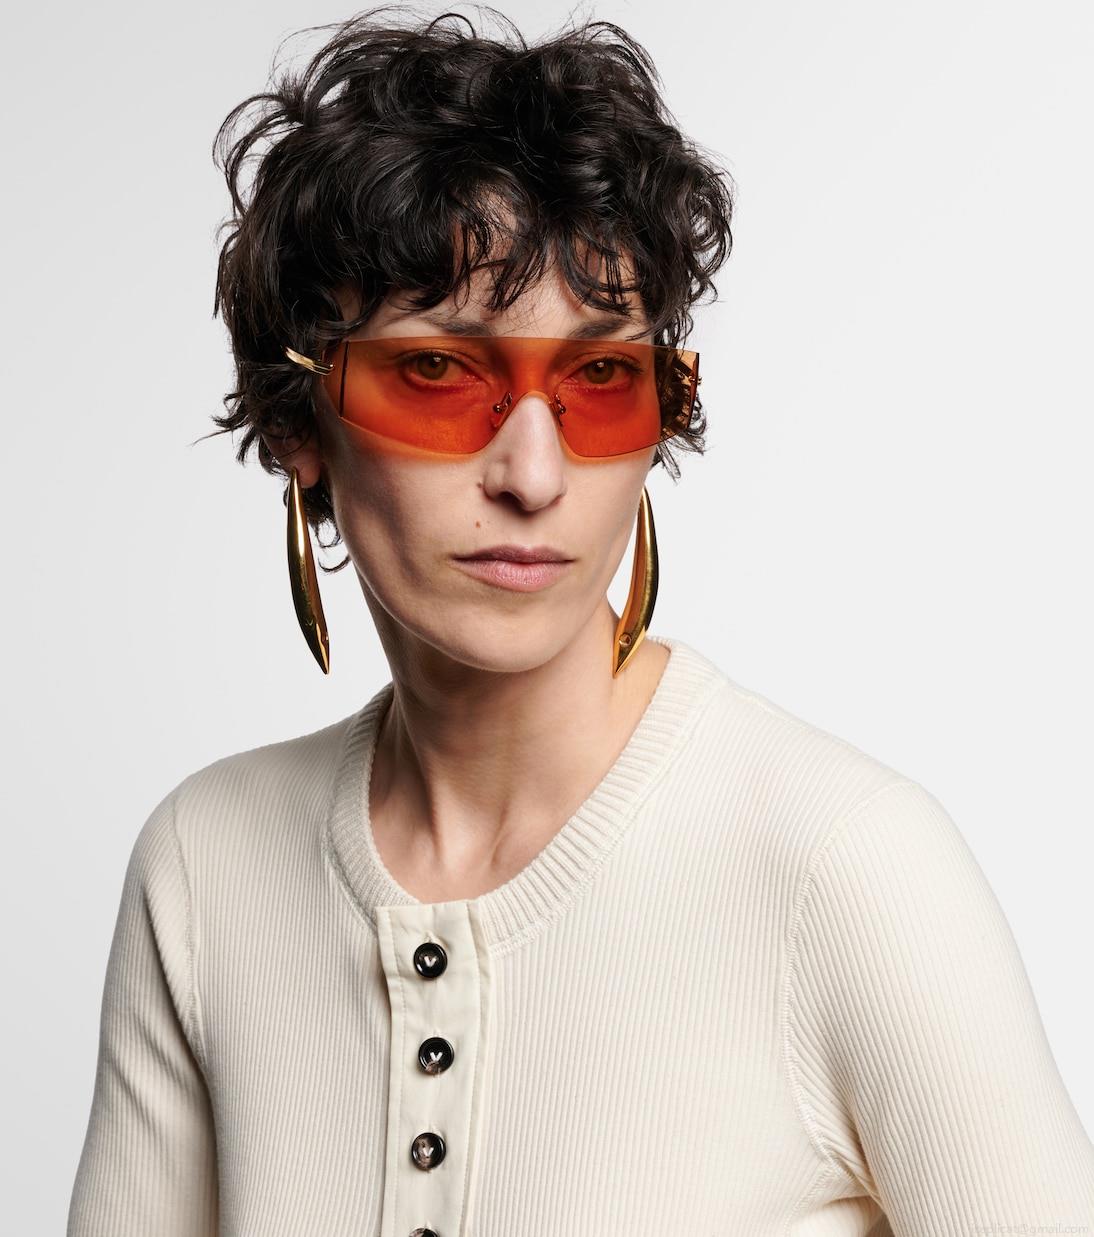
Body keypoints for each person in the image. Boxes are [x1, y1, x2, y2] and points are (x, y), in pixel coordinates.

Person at [67, 8, 1094, 1236]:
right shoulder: (205, 864)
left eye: (601, 377)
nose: (533, 474)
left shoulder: (842, 864)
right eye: (439, 372)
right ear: (298, 422)